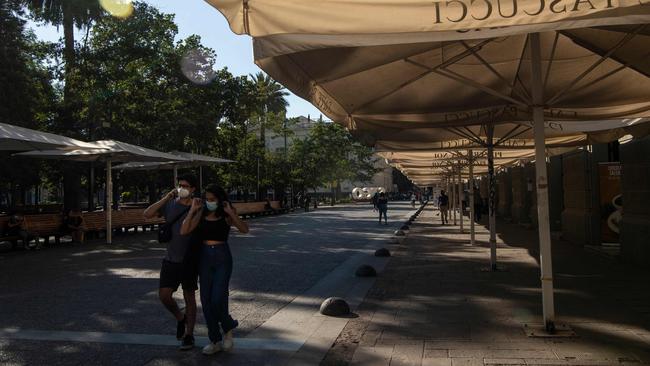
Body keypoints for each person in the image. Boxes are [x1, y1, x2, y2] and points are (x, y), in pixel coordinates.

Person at [180, 184, 249, 355]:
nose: (209, 202)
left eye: (212, 199)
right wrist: (193, 210)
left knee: (218, 297)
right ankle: (215, 339)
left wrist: (231, 213)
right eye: (207, 199)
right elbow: (184, 230)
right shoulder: (201, 212)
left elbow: (244, 229)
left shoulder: (226, 213)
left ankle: (228, 328)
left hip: (222, 256)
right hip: (204, 257)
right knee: (206, 300)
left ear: (219, 199)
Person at [143, 174, 200, 351]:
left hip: (190, 259)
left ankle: (189, 335)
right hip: (171, 259)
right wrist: (166, 197)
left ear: (193, 189)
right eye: (179, 185)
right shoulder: (170, 204)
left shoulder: (198, 207)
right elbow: (147, 214)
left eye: (185, 186)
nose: (181, 188)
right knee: (164, 295)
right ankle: (180, 318)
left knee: (189, 296)